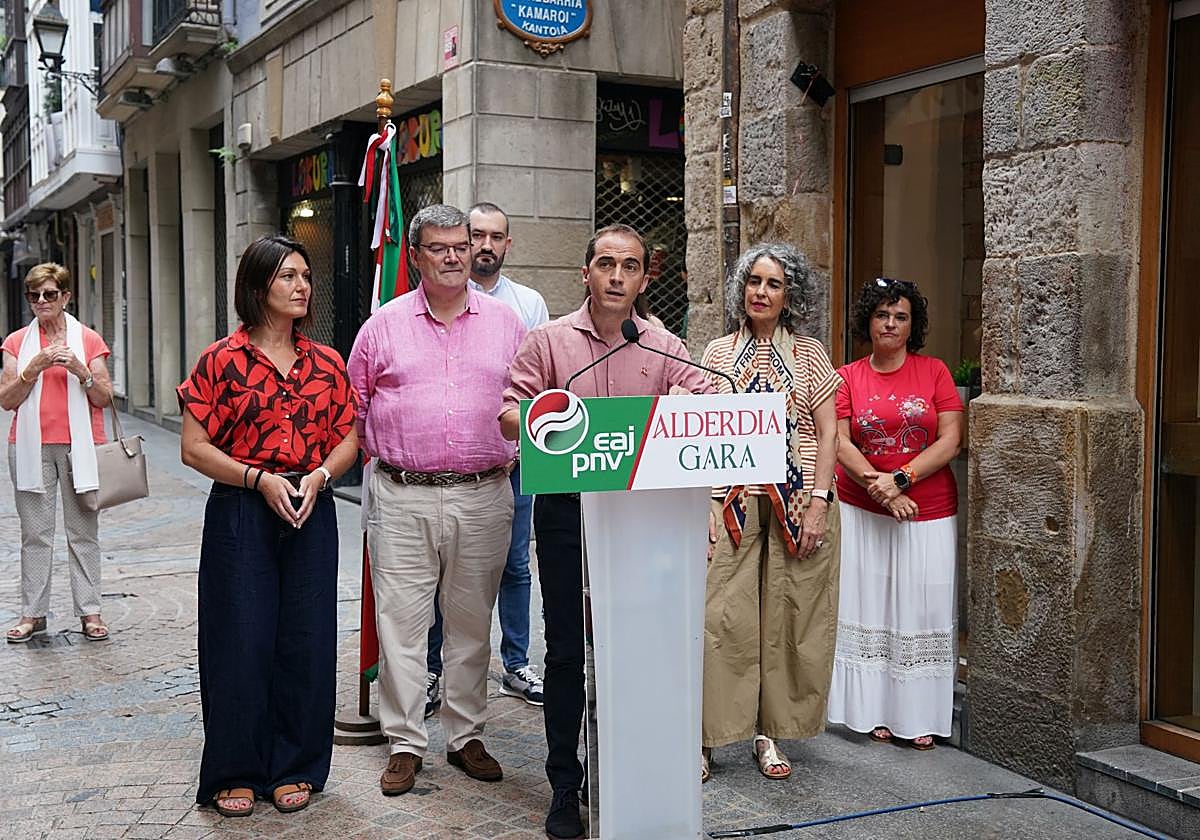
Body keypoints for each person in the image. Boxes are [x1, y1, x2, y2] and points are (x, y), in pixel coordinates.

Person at [500, 223, 713, 840]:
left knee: (636, 650)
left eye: (630, 267)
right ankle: (565, 786)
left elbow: (704, 408)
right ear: (586, 273)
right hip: (566, 514)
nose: (617, 277)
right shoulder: (548, 341)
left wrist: (695, 411)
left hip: (644, 524)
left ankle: (621, 774)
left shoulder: (666, 346)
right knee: (568, 651)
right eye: (606, 264)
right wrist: (544, 419)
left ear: (645, 279)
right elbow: (509, 412)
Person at [347, 204, 526, 797]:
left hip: (484, 495)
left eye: (461, 245)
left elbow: (529, 399)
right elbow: (355, 407)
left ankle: (465, 734)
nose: (454, 256)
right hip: (402, 496)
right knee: (400, 624)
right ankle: (404, 742)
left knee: (472, 624)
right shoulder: (382, 326)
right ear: (416, 256)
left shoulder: (507, 323)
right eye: (439, 247)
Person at [178, 234, 359, 817]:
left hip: (310, 505)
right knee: (239, 640)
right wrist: (258, 479)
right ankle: (235, 770)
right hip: (241, 509)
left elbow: (348, 437)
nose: (302, 286)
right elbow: (193, 447)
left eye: (305, 275)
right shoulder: (220, 360)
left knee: (307, 640)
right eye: (288, 276)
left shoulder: (327, 362)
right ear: (257, 287)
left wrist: (321, 477)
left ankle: (295, 765)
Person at [699, 243, 842, 783]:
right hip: (731, 500)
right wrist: (706, 502)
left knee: (787, 620)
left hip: (798, 501)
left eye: (773, 284)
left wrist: (820, 504)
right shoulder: (717, 353)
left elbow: (829, 434)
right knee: (720, 617)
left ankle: (769, 733)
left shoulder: (809, 353)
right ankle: (708, 736)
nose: (761, 292)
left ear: (790, 295)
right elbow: (703, 431)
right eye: (754, 281)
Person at [825, 277, 963, 750]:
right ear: (868, 321)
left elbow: (951, 439)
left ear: (912, 325)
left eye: (900, 316)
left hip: (928, 509)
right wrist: (881, 491)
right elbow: (839, 441)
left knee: (922, 608)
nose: (890, 324)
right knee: (870, 606)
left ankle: (917, 714)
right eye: (882, 315)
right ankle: (872, 712)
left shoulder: (935, 372)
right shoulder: (846, 376)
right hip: (862, 510)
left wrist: (901, 479)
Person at [424, 201, 550, 716]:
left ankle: (517, 663)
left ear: (508, 244)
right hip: (450, 467)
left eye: (496, 237)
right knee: (442, 569)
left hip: (512, 463)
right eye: (477, 235)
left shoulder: (528, 304)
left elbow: (543, 380)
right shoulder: (440, 297)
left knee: (516, 565)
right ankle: (433, 669)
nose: (485, 246)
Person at [1, 263, 114, 643]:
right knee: (35, 534)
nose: (41, 301)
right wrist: (31, 369)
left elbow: (104, 396)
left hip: (81, 448)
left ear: (66, 297)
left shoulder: (89, 340)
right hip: (30, 448)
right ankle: (33, 613)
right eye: (34, 295)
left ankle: (90, 611)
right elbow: (6, 400)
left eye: (50, 294)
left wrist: (81, 370)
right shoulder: (16, 343)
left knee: (83, 533)